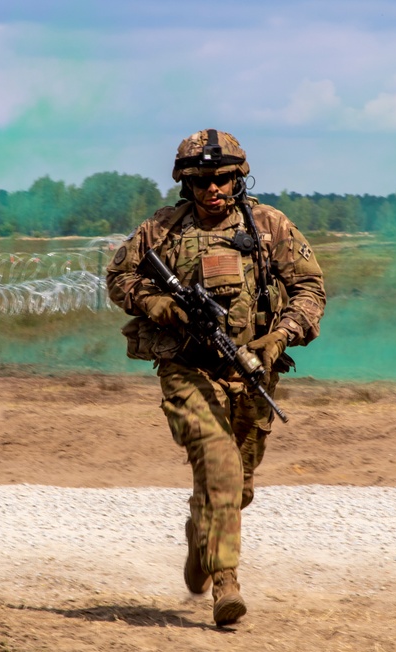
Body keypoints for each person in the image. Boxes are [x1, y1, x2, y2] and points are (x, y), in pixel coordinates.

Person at [106, 129, 326, 625]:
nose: (213, 190)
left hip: (251, 372)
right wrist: (159, 304)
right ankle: (226, 582)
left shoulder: (271, 227)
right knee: (221, 468)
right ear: (187, 183)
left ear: (239, 178)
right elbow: (118, 277)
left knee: (238, 488)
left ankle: (201, 537)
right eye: (202, 181)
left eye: (223, 179)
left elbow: (310, 289)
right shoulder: (161, 229)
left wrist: (282, 336)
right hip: (186, 369)